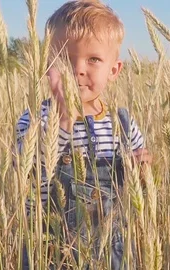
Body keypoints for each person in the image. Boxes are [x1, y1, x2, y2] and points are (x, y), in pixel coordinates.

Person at [16, 0, 152, 268]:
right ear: (47, 65)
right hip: (51, 249)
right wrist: (63, 120)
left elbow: (141, 181)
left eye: (94, 59)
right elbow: (28, 178)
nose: (78, 69)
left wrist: (142, 167)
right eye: (64, 59)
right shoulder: (33, 120)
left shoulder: (122, 124)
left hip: (109, 248)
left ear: (114, 70)